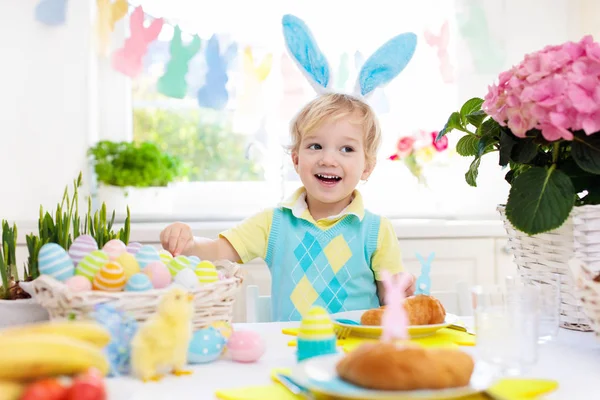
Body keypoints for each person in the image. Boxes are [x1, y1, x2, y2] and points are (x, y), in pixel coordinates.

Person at [161, 93, 416, 321]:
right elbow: (219, 250)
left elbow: (391, 300)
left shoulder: (376, 230)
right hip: (290, 349)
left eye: (346, 149)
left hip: (355, 352)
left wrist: (400, 291)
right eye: (315, 146)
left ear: (367, 167)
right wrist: (188, 243)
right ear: (296, 159)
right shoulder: (273, 223)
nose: (328, 159)